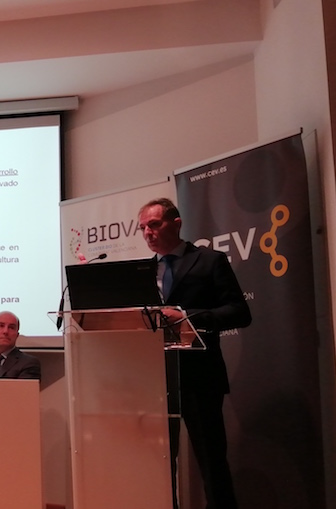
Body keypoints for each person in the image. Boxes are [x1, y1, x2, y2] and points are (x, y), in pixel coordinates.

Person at [138, 197, 252, 509]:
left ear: (176, 223)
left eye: (154, 224)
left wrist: (187, 316)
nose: (147, 232)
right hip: (153, 378)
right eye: (143, 227)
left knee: (211, 460)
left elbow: (239, 312)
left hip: (199, 376)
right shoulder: (142, 272)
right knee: (158, 463)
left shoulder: (209, 261)